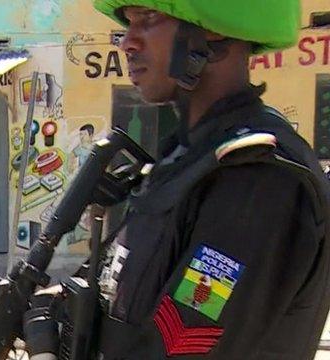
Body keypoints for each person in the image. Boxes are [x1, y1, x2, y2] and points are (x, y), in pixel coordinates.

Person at [23, 1, 330, 359]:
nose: (128, 43)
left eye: (149, 19)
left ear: (213, 29)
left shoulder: (255, 179)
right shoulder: (185, 160)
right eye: (129, 23)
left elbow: (181, 345)